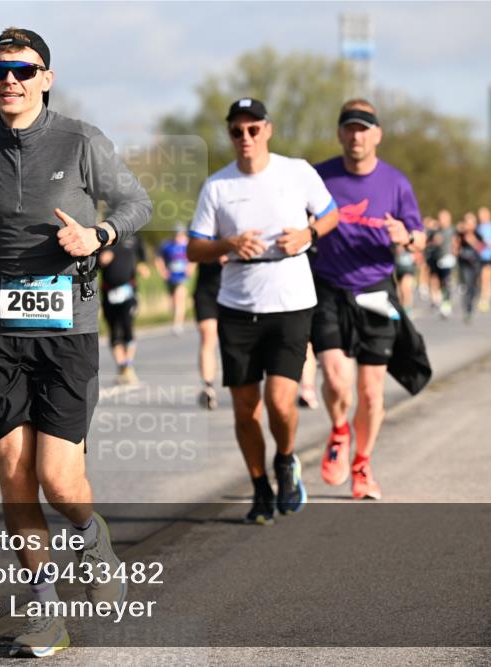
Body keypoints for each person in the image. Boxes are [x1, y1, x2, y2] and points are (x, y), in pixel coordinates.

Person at [0, 28, 151, 657]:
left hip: (66, 327)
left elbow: (136, 202)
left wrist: (98, 234)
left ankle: (91, 533)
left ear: (46, 78)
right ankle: (45, 612)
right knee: (15, 476)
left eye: (24, 70)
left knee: (58, 476)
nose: (11, 81)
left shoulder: (80, 140)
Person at [187, 98, 339, 524]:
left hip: (291, 301)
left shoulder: (297, 172)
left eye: (253, 129)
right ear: (230, 135)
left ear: (268, 130)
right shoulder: (217, 186)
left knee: (280, 402)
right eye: (237, 131)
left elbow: (330, 215)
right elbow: (194, 248)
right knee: (245, 408)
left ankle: (286, 460)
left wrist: (307, 234)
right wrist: (229, 244)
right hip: (238, 305)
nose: (246, 138)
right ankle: (259, 488)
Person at [310, 99, 426, 501]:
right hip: (328, 287)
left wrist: (406, 237)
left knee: (373, 392)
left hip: (376, 289)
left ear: (376, 134)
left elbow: (421, 235)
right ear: (340, 133)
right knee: (338, 382)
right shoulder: (319, 176)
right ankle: (339, 429)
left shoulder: (396, 183)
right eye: (349, 128)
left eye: (364, 128)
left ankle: (362, 465)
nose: (356, 136)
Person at [98, 229, 149, 385]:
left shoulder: (134, 236)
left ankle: (128, 365)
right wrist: (101, 260)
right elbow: (91, 263)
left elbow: (143, 257)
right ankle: (122, 366)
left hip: (128, 290)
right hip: (108, 292)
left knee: (127, 326)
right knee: (114, 329)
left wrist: (142, 266)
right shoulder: (102, 237)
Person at [192, 259, 222, 409]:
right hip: (206, 292)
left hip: (236, 292)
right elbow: (192, 254)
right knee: (208, 336)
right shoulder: (204, 235)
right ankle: (208, 387)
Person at [155, 226, 192, 334]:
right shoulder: (167, 245)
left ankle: (177, 323)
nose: (178, 237)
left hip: (182, 276)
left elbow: (193, 258)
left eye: (180, 235)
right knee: (172, 301)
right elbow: (159, 258)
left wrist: (190, 268)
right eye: (177, 235)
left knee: (179, 297)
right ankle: (177, 318)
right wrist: (163, 271)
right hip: (171, 276)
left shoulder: (187, 245)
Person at [455, 212, 484, 323]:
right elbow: (455, 247)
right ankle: (467, 310)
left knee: (474, 287)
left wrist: (473, 241)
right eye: (467, 222)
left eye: (472, 222)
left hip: (475, 263)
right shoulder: (460, 235)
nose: (469, 225)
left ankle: (471, 305)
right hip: (464, 264)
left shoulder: (477, 234)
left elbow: (482, 248)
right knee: (467, 285)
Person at [475, 206, 491, 312]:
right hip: (478, 256)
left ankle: (485, 299)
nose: (482, 217)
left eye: (483, 214)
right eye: (480, 215)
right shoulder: (478, 227)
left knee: (486, 277)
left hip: (488, 256)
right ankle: (482, 295)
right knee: (480, 278)